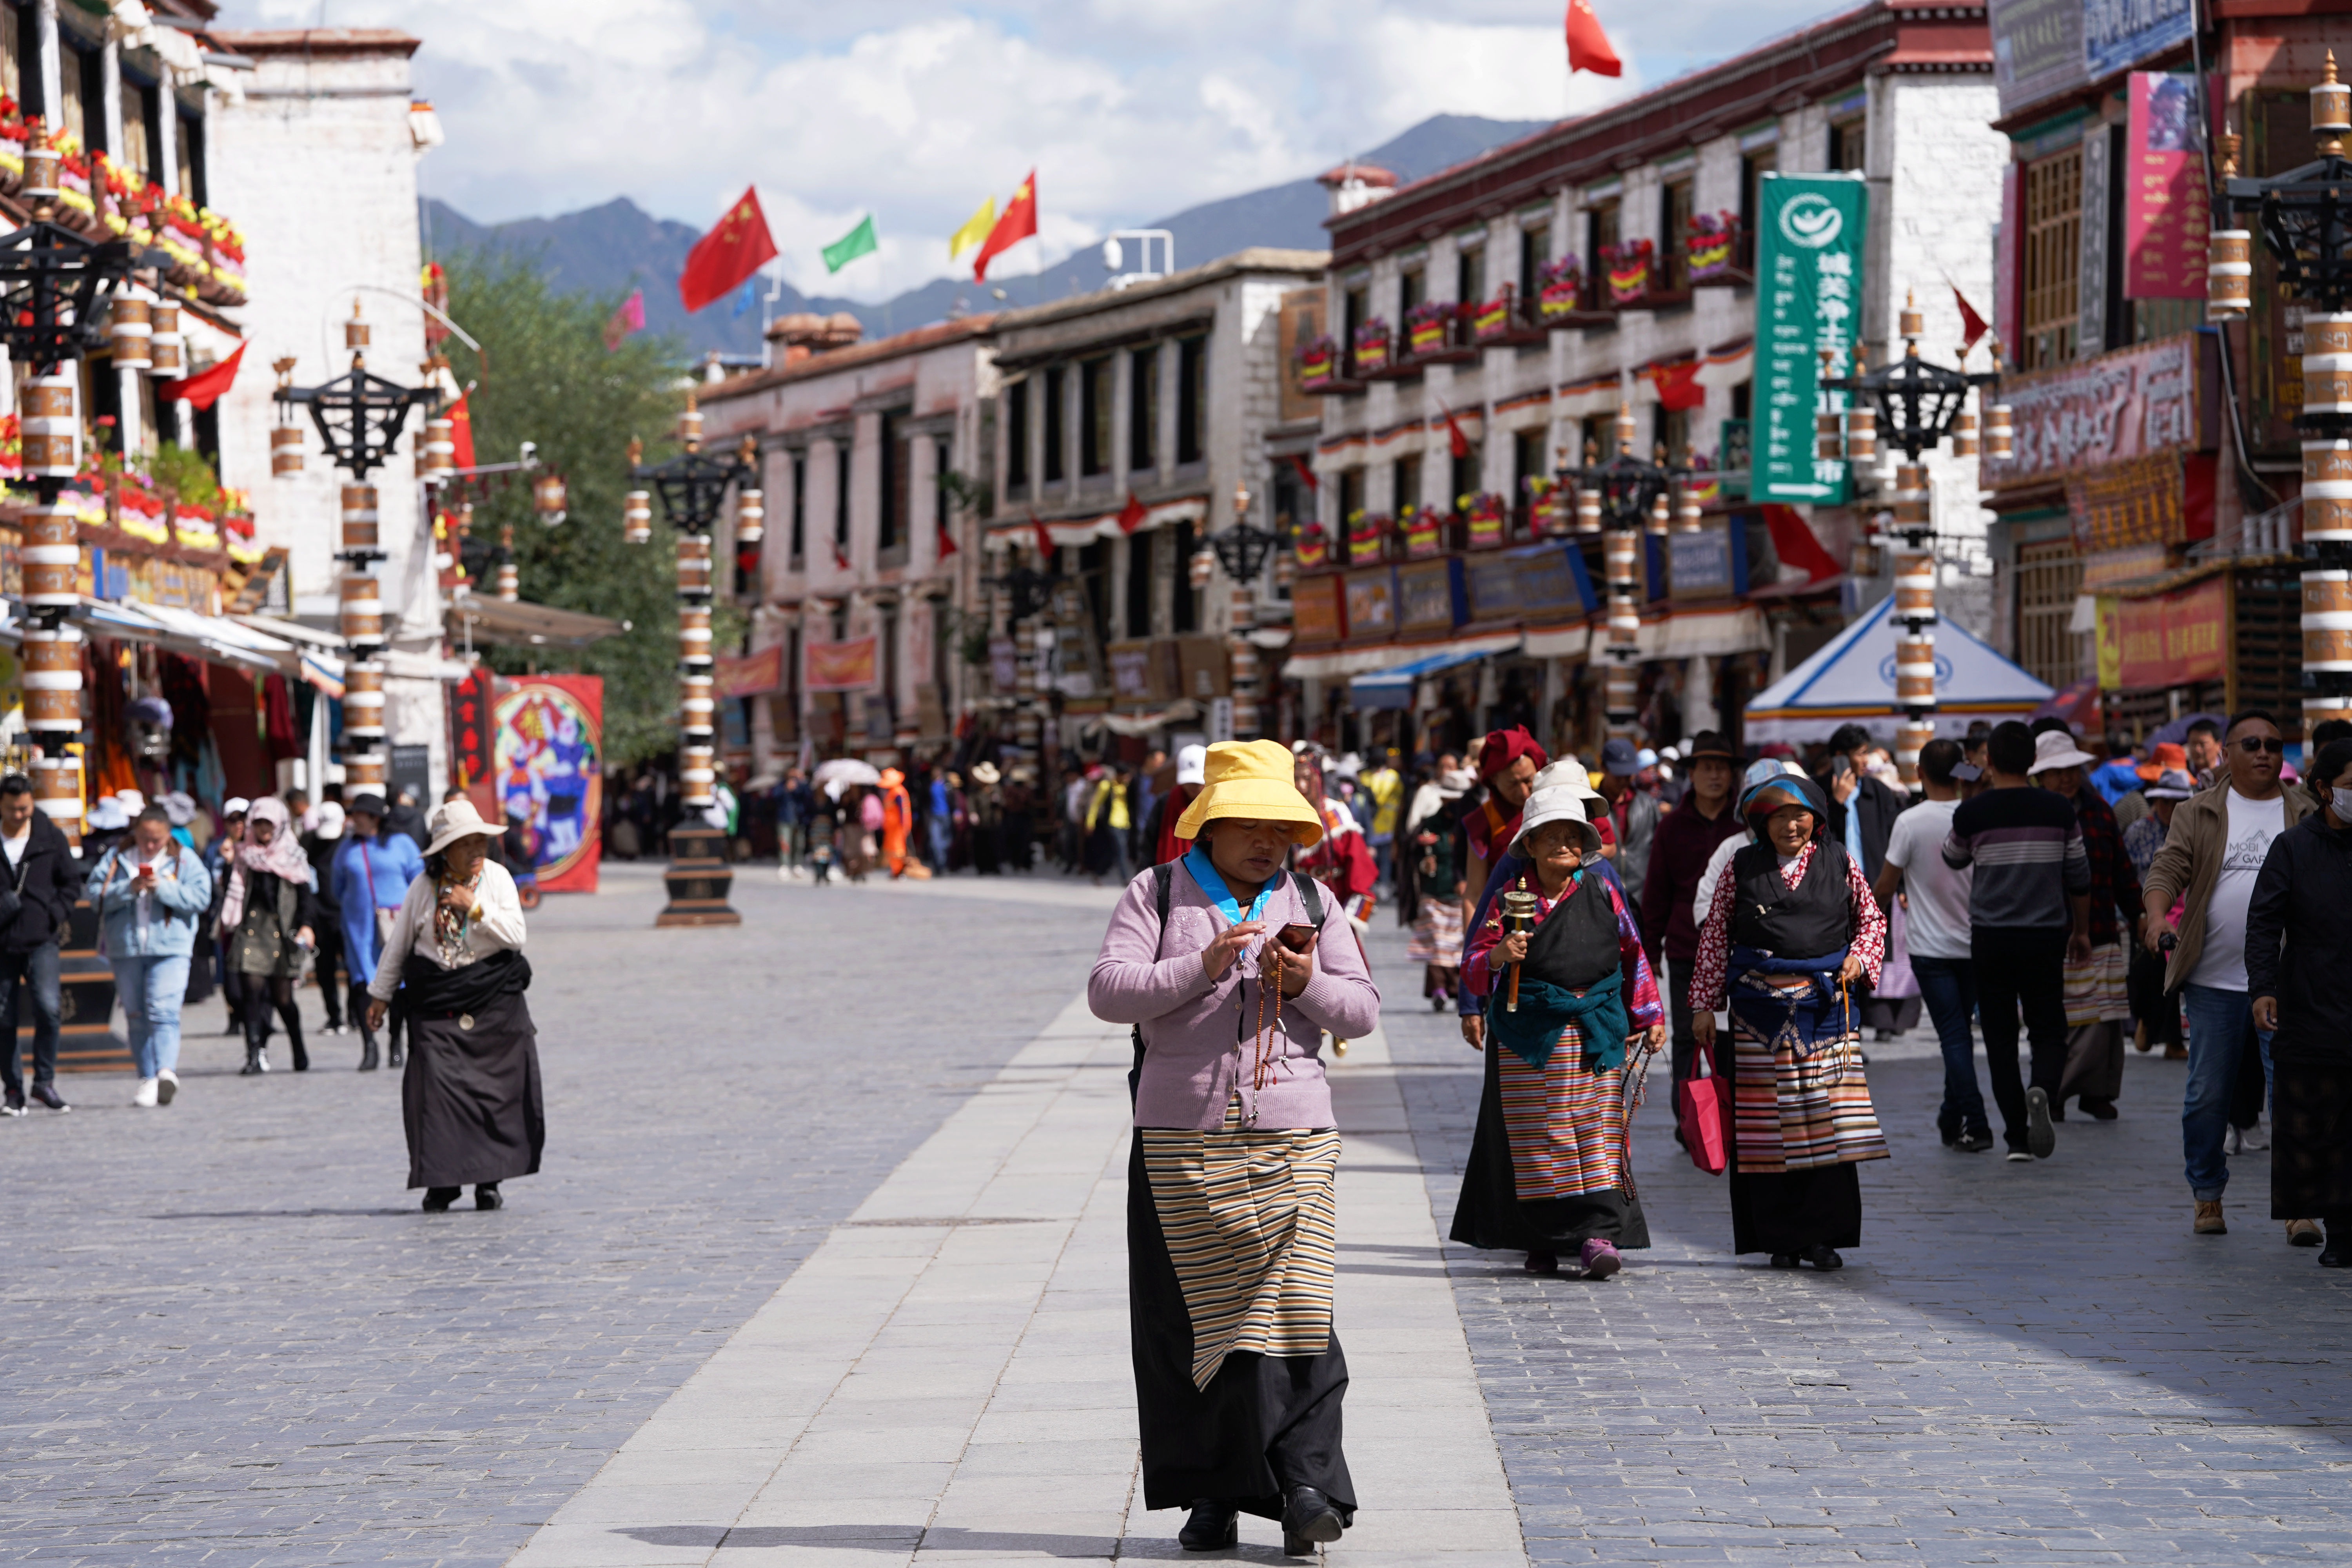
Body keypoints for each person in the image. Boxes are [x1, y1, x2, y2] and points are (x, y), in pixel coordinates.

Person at [1086, 739, 1381, 1557]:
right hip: (1182, 1138)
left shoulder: (1316, 901)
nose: (1265, 841)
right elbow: (1108, 991)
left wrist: (1303, 984)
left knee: (1298, 1314)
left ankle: (1308, 1487)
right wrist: (1196, 966)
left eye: (1279, 827)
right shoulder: (1157, 893)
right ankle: (1213, 1492)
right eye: (1246, 823)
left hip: (1294, 1138)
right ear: (1208, 827)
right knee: (1193, 1324)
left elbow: (1359, 1010)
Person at [1455, 784, 1666, 1277]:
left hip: (1597, 1027)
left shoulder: (1603, 889)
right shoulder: (1511, 898)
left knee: (1596, 1132)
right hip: (1530, 1036)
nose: (1564, 846)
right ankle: (1541, 1239)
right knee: (1539, 1137)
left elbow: (1633, 953)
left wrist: (1651, 1016)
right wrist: (1499, 956)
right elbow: (1471, 964)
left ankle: (1596, 1236)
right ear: (1529, 845)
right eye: (1551, 837)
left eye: (1573, 837)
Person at [1690, 771, 1889, 1269]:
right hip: (1758, 1016)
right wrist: (1703, 1006)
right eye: (1777, 816)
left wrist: (1860, 959)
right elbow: (1716, 935)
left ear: (1816, 819)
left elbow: (1872, 920)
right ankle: (1778, 1236)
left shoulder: (1841, 861)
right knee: (1766, 1130)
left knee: (1827, 1126)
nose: (1790, 825)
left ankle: (1823, 1236)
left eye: (1799, 814)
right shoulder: (1741, 866)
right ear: (1761, 822)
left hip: (1826, 1011)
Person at [2141, 708, 2312, 1237]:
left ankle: (2299, 1204)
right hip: (2212, 979)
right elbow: (2168, 868)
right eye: (2252, 743)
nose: (2264, 752)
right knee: (2206, 1096)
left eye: (2273, 745)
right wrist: (2154, 917)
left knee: (2292, 1093)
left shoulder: (2303, 811)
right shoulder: (2200, 812)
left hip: (2286, 982)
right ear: (2226, 755)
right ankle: (2208, 1194)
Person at [367, 799, 540, 1213]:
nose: (477, 850)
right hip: (437, 1003)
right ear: (445, 850)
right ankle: (442, 1182)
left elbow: (516, 936)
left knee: (493, 1094)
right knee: (436, 1094)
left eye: (481, 841)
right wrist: (380, 994)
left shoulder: (497, 879)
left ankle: (488, 1180)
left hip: (493, 1000)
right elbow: (400, 944)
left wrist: (474, 908)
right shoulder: (422, 889)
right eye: (466, 844)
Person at [1941, 721, 2091, 1162]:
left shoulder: (1974, 813)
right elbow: (2080, 877)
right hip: (2045, 936)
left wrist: (1969, 802)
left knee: (2001, 1037)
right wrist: (2080, 931)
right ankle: (2042, 1085)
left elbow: (1953, 858)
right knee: (2049, 1029)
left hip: (1991, 938)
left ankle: (2016, 1138)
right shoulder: (2059, 810)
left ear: (1988, 761)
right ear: (2033, 763)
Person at [2247, 733, 2352, 1264]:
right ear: (2324, 791)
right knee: (2324, 1124)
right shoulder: (2293, 849)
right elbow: (2263, 923)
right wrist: (2263, 987)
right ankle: (2339, 1230)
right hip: (2312, 1007)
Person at [1875, 739, 1992, 1152]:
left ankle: (1975, 1121)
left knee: (1954, 1035)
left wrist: (1862, 923)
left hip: (1930, 949)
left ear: (1920, 773)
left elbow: (1886, 887)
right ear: (1962, 772)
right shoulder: (1977, 817)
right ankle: (1950, 1114)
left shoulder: (1910, 822)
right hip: (1976, 944)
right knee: (1958, 1032)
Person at [2027, 729, 2142, 1122]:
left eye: (2071, 769)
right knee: (2076, 1019)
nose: (2066, 777)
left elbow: (2121, 872)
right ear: (2040, 776)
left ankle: (2098, 1093)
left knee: (2108, 1018)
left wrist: (2140, 913)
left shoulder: (2099, 812)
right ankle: (2055, 1092)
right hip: (2054, 935)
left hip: (2102, 929)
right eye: (2056, 771)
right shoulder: (2035, 816)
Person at [85, 804, 212, 1109]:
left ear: (169, 834)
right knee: (136, 1014)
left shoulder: (183, 860)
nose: (150, 845)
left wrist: (165, 889)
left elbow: (201, 898)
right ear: (135, 832)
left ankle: (166, 1071)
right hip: (126, 949)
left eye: (156, 839)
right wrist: (128, 889)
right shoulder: (118, 858)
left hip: (171, 948)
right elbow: (94, 895)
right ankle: (147, 1078)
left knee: (163, 1010)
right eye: (145, 838)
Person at [1638, 731, 1744, 1088]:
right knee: (1687, 1035)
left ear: (1732, 775)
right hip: (1687, 948)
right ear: (1692, 774)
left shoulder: (1745, 825)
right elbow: (1656, 893)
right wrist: (1652, 951)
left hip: (1738, 950)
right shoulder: (1671, 826)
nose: (1715, 776)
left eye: (1722, 769)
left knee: (1731, 1040)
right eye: (1707, 768)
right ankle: (1688, 1119)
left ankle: (1727, 1119)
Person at [0, 775, 90, 1114]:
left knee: (49, 1009)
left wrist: (54, 914)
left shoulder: (48, 835)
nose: (19, 815)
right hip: (2, 941)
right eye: (12, 809)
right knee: (3, 1018)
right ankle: (12, 1090)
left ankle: (44, 1083)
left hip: (42, 939)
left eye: (24, 808)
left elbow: (70, 882)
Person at [220, 796, 319, 1075]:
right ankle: (254, 1054)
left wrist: (306, 925)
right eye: (259, 823)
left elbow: (305, 895)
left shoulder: (293, 855)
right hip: (252, 930)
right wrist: (229, 863)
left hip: (282, 931)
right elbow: (231, 890)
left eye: (269, 823)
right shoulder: (243, 854)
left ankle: (298, 1046)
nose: (263, 829)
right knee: (250, 993)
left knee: (283, 998)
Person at [335, 793, 427, 1071]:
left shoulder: (401, 844)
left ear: (374, 817)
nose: (354, 820)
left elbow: (418, 879)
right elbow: (336, 887)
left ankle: (396, 1042)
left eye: (359, 815)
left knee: (397, 985)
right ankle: (369, 1047)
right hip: (360, 930)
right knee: (364, 984)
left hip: (396, 926)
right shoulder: (347, 849)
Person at [2124, 769, 2195, 1058]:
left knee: (2174, 977)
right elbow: (2126, 874)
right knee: (2145, 976)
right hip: (2143, 914)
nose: (2169, 808)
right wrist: (2138, 915)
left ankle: (2173, 1040)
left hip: (2181, 915)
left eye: (2176, 802)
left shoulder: (2191, 828)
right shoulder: (2138, 831)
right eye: (2164, 801)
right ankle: (2146, 1025)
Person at [1406, 766, 1474, 1007]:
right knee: (1437, 941)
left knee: (1457, 942)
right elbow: (1414, 854)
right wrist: (1425, 863)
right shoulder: (1430, 824)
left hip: (1464, 892)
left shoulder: (1472, 824)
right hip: (1435, 890)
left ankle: (1457, 989)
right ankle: (1438, 989)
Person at [1595, 736, 1661, 907]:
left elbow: (1660, 850)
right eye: (1618, 775)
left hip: (1640, 898)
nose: (1624, 781)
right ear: (1603, 768)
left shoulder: (1647, 805)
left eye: (1628, 775)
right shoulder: (1591, 806)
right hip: (1601, 896)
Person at [303, 801, 351, 1036]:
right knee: (324, 970)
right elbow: (305, 882)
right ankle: (334, 1017)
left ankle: (355, 1016)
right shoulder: (310, 842)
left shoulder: (352, 843)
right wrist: (307, 920)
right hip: (320, 916)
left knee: (354, 968)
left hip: (348, 917)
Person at [1142, 745, 1204, 867]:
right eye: (1188, 781)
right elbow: (1149, 843)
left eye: (1197, 782)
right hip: (1170, 875)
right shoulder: (1165, 802)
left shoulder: (1218, 805)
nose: (1192, 786)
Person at [1358, 749, 1404, 887]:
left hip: (1375, 826)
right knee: (1382, 859)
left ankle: (1373, 885)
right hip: (1385, 824)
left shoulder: (1365, 776)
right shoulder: (1393, 776)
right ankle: (1380, 885)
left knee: (1376, 858)